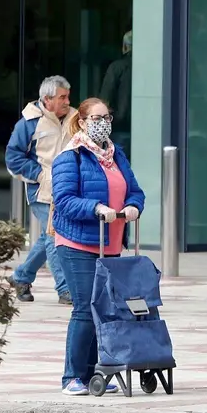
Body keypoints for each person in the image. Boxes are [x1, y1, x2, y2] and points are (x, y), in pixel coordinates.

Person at [51, 97, 145, 396]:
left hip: (111, 244)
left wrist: (132, 206)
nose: (102, 123)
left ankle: (96, 373)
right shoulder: (71, 157)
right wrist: (95, 207)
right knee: (83, 309)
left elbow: (135, 191)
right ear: (82, 121)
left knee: (103, 310)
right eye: (96, 118)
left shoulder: (117, 156)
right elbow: (64, 200)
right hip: (78, 244)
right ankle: (72, 377)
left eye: (107, 117)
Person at [4, 75, 77, 305]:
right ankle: (65, 290)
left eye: (68, 96)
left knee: (49, 235)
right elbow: (13, 158)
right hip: (42, 192)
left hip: (68, 190)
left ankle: (21, 277)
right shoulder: (28, 122)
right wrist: (40, 175)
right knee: (56, 236)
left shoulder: (76, 118)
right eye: (62, 97)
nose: (67, 101)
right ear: (47, 99)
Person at [99, 30, 132, 154]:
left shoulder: (117, 67)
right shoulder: (153, 67)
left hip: (120, 128)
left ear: (125, 47)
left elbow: (104, 100)